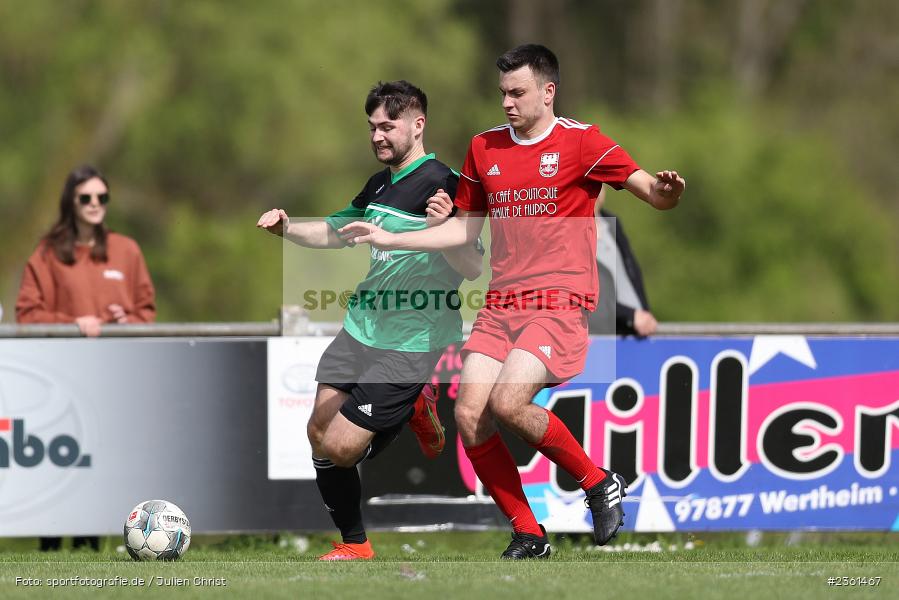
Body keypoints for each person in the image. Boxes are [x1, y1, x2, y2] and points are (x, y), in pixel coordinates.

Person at [340, 44, 684, 558]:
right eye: (503, 92)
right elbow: (464, 233)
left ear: (548, 92)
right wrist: (412, 232)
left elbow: (653, 193)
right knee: (470, 414)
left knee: (507, 401)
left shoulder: (582, 142)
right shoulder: (484, 148)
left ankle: (596, 481)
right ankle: (529, 531)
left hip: (561, 299)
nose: (507, 102)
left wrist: (668, 190)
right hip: (502, 302)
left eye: (518, 92)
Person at [256, 80, 483, 561]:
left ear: (418, 125)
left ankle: (414, 405)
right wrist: (287, 227)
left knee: (341, 448)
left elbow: (473, 267)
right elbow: (337, 230)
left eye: (388, 126)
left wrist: (448, 230)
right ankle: (356, 546)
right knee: (318, 432)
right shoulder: (380, 185)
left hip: (411, 338)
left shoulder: (448, 184)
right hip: (362, 324)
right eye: (372, 127)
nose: (377, 136)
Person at [16, 164, 156, 551]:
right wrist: (72, 322)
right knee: (59, 464)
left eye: (102, 197)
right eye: (86, 198)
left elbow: (146, 311)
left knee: (101, 463)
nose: (95, 205)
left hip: (111, 376)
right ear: (71, 202)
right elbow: (27, 313)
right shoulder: (47, 253)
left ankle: (89, 543)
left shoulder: (126, 250)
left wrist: (128, 321)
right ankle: (49, 544)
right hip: (60, 376)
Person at [588, 185, 658, 337]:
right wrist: (629, 315)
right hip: (601, 335)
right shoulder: (568, 232)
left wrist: (643, 313)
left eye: (599, 185)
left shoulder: (611, 223)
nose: (596, 191)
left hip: (635, 332)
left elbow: (632, 271)